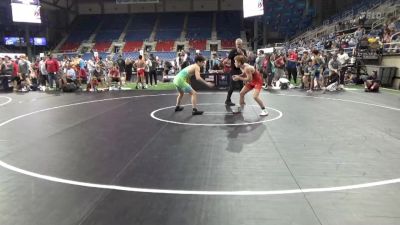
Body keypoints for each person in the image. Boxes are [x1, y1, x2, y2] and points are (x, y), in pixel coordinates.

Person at [225, 38, 247, 106]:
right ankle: (227, 100)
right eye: (237, 44)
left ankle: (242, 100)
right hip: (233, 71)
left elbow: (246, 60)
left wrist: (242, 54)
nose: (238, 45)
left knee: (241, 87)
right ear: (235, 44)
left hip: (241, 71)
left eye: (239, 44)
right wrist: (227, 64)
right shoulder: (232, 51)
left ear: (242, 44)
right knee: (232, 86)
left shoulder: (243, 51)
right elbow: (226, 60)